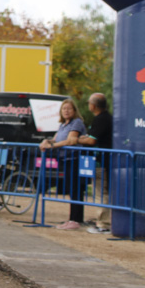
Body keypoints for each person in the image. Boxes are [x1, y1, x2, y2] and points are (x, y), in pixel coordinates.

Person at [40, 99, 87, 230]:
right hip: (65, 159)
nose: (66, 111)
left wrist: (52, 145)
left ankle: (76, 219)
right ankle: (72, 218)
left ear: (74, 110)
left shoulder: (76, 122)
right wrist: (46, 141)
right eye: (64, 109)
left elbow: (70, 140)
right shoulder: (63, 125)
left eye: (69, 108)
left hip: (75, 159)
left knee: (76, 189)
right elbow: (55, 139)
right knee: (70, 189)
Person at [77, 93, 113, 233]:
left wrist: (78, 140)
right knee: (101, 192)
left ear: (93, 105)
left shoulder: (101, 119)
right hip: (103, 161)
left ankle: (103, 224)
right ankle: (102, 222)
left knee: (101, 193)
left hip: (101, 162)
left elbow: (91, 140)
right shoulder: (105, 118)